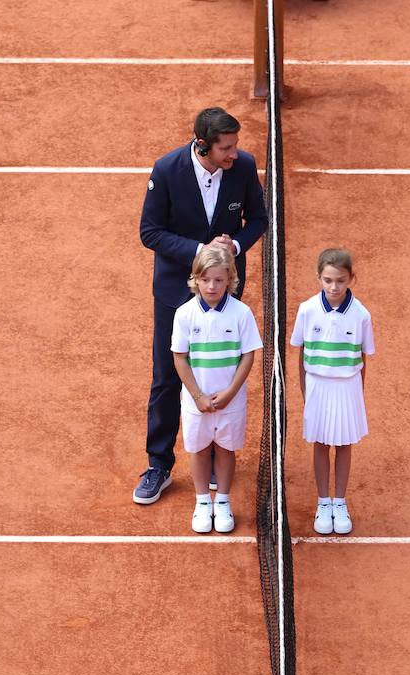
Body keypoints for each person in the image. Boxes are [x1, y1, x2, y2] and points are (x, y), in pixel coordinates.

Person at [134, 107, 268, 504]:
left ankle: (209, 457)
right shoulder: (167, 170)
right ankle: (158, 465)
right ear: (202, 145)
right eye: (226, 148)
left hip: (224, 294)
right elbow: (150, 231)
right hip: (176, 294)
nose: (235, 154)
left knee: (217, 375)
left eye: (235, 145)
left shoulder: (243, 166)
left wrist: (235, 246)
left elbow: (258, 219)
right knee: (167, 377)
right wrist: (200, 252)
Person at [170, 246, 261, 533]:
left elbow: (248, 355)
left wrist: (231, 392)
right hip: (196, 401)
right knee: (198, 450)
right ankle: (201, 502)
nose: (212, 286)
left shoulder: (241, 313)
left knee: (224, 449)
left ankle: (222, 501)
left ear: (230, 279)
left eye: (219, 280)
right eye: (206, 279)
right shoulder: (184, 314)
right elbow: (180, 357)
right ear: (196, 279)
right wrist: (197, 395)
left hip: (230, 401)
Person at [290, 248, 374, 535]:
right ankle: (323, 502)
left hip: (348, 387)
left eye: (340, 280)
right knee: (321, 444)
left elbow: (363, 359)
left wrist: (358, 396)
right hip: (317, 386)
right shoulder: (306, 310)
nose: (334, 287)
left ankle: (340, 501)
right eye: (327, 280)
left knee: (344, 444)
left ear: (351, 278)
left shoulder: (361, 314)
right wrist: (305, 393)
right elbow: (301, 355)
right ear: (319, 278)